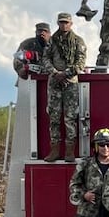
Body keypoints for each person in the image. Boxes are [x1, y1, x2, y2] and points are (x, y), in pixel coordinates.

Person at [41, 12, 87, 163]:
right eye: (61, 22)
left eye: (66, 22)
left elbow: (81, 62)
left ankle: (69, 151)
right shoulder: (52, 41)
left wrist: (66, 74)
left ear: (71, 24)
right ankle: (54, 151)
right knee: (54, 118)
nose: (64, 25)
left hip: (70, 83)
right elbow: (45, 58)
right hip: (54, 82)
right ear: (58, 23)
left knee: (70, 118)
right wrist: (55, 73)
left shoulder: (78, 41)